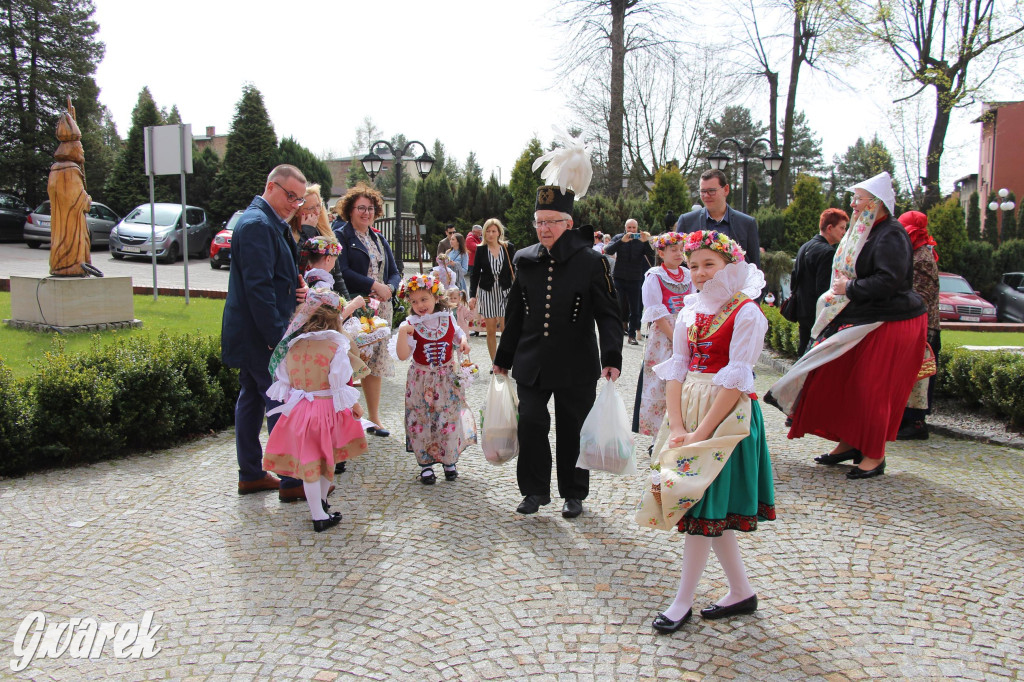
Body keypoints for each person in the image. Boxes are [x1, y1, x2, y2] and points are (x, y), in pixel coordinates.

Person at [635, 230, 774, 634]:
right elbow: (677, 368)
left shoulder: (746, 313)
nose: (699, 273)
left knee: (697, 508)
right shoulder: (689, 311)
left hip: (724, 416)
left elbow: (735, 381)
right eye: (693, 265)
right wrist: (677, 424)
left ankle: (682, 602)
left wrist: (702, 432)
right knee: (704, 508)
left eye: (709, 264)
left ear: (731, 266)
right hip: (691, 413)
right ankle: (741, 591)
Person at [764, 172, 927, 480]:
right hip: (864, 317)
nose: (853, 205)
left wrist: (849, 289)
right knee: (843, 382)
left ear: (876, 203)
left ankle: (875, 454)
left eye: (858, 199)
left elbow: (890, 280)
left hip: (890, 321)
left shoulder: (890, 233)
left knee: (870, 388)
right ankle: (850, 443)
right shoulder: (866, 231)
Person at [493, 134, 622, 519]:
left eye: (550, 222)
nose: (543, 229)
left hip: (576, 363)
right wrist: (503, 358)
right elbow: (515, 314)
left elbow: (609, 315)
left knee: (572, 429)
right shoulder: (525, 259)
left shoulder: (591, 262)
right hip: (532, 361)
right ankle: (534, 491)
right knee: (531, 422)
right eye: (539, 222)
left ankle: (573, 493)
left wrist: (612, 355)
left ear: (568, 223)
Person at [222, 164, 310, 500]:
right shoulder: (258, 224)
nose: (294, 204)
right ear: (270, 187)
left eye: (299, 200)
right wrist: (279, 339)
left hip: (255, 331)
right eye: (290, 196)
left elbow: (275, 278)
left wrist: (296, 290)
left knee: (251, 399)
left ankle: (251, 474)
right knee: (277, 399)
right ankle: (290, 481)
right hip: (260, 334)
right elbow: (258, 290)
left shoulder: (271, 221)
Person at [262, 287, 368, 532]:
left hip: (299, 411)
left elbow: (284, 381)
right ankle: (318, 512)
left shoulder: (293, 347)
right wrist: (355, 405)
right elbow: (339, 383)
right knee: (323, 461)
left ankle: (320, 504)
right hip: (326, 410)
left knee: (312, 462)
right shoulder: (334, 347)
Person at [391, 274, 474, 484]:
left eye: (424, 299)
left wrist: (463, 341)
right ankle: (426, 464)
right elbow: (402, 355)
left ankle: (449, 460)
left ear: (436, 297)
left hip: (446, 377)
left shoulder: (447, 317)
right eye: (414, 301)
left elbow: (458, 334)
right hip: (421, 379)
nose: (420, 305)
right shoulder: (410, 323)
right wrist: (402, 332)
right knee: (421, 419)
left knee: (448, 418)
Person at [335, 183, 402, 438]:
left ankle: (374, 418)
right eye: (360, 208)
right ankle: (348, 420)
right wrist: (373, 285)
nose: (366, 213)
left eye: (370, 208)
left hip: (381, 310)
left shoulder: (378, 237)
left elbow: (395, 272)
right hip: (355, 308)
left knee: (375, 363)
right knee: (352, 362)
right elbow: (342, 271)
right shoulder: (342, 236)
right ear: (350, 210)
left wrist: (390, 289)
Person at [635, 232, 692, 437]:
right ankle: (658, 434)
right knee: (661, 380)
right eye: (673, 250)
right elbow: (656, 312)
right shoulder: (655, 276)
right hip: (664, 333)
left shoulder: (688, 274)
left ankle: (682, 428)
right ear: (661, 252)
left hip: (686, 328)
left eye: (681, 250)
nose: (679, 254)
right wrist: (676, 338)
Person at [896, 210, 941, 440]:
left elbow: (921, 296)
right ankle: (907, 419)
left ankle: (916, 422)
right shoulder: (916, 254)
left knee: (920, 375)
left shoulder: (922, 258)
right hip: (914, 322)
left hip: (924, 326)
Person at [676, 169, 761, 271]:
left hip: (735, 285)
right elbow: (680, 263)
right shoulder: (687, 221)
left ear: (726, 189)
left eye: (711, 191)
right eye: (703, 191)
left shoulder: (747, 223)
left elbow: (754, 266)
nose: (706, 196)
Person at [790, 208, 848, 355]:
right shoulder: (827, 252)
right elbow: (823, 289)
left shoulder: (805, 246)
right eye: (841, 228)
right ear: (829, 228)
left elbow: (794, 279)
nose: (844, 232)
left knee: (803, 351)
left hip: (801, 309)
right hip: (815, 313)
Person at [469, 218, 516, 362]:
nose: (490, 234)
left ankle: (505, 359)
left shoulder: (508, 247)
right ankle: (494, 361)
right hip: (487, 291)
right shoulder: (481, 249)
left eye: (493, 231)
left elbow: (513, 269)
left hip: (505, 290)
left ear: (499, 232)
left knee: (505, 328)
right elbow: (475, 273)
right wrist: (472, 296)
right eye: (487, 231)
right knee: (490, 330)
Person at [604, 219, 655, 345]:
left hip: (635, 278)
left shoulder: (641, 240)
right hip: (620, 277)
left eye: (634, 228)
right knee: (618, 306)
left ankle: (632, 335)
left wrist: (646, 242)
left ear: (637, 228)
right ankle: (617, 332)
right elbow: (608, 250)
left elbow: (652, 256)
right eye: (629, 227)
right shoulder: (619, 237)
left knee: (635, 309)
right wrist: (621, 242)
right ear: (625, 228)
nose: (631, 230)